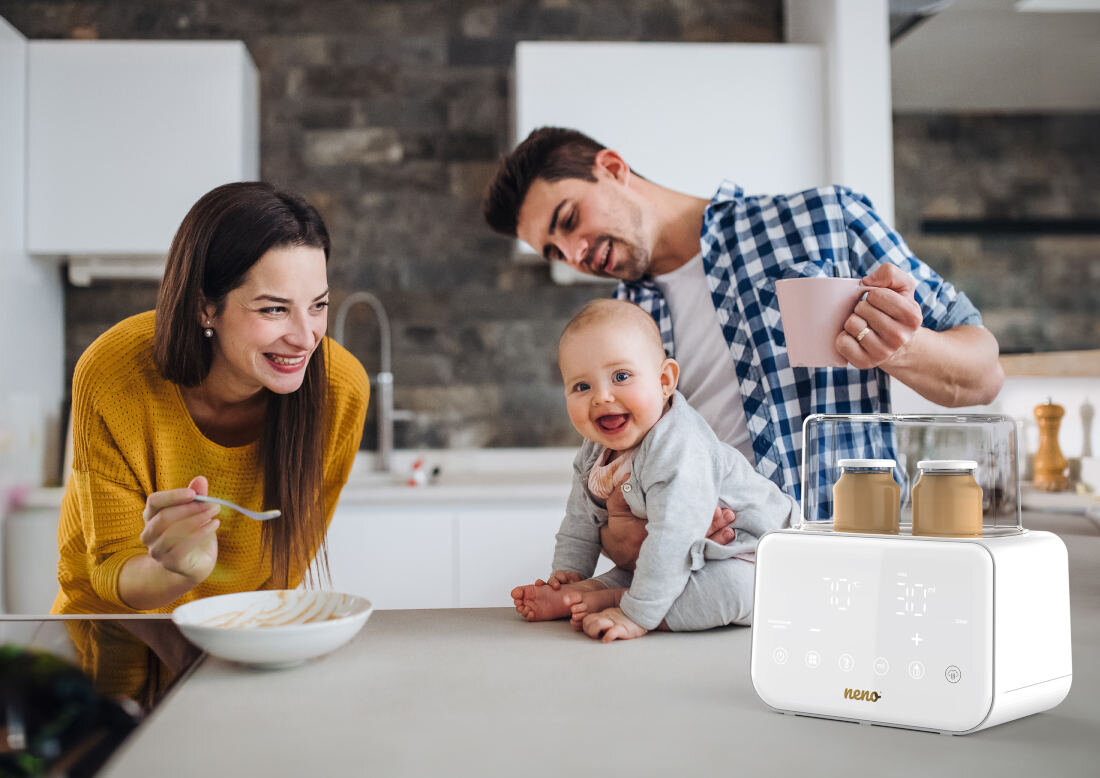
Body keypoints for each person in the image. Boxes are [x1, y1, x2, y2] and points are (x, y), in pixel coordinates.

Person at [484, 127, 1004, 566]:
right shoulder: (621, 328)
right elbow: (622, 516)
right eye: (554, 250)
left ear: (614, 167)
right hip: (710, 584)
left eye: (569, 220)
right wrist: (639, 534)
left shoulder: (823, 220)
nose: (573, 254)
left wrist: (895, 348)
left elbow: (983, 376)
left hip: (846, 563)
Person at [52, 182, 369, 617]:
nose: (304, 337)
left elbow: (282, 575)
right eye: (274, 309)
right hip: (109, 640)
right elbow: (109, 569)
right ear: (205, 308)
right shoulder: (114, 372)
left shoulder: (341, 390)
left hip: (235, 638)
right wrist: (179, 572)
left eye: (318, 305)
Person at [511, 299, 796, 642]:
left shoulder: (677, 445)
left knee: (737, 589)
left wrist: (636, 614)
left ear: (664, 381)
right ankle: (582, 593)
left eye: (621, 376)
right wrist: (567, 574)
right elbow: (579, 522)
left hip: (760, 557)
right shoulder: (594, 453)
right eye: (581, 386)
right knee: (647, 567)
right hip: (685, 560)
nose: (601, 397)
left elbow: (674, 537)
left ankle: (620, 600)